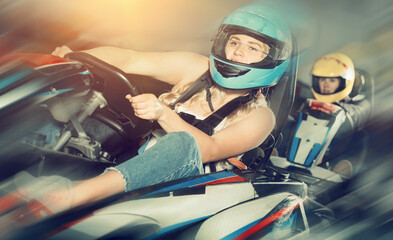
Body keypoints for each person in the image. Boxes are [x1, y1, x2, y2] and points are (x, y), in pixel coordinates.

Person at [9, 3, 292, 217]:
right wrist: (74, 57)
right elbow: (130, 59)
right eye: (234, 42)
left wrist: (163, 113)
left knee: (182, 142)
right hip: (131, 166)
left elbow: (205, 150)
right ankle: (17, 161)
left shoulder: (260, 116)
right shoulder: (195, 69)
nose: (238, 53)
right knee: (80, 107)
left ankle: (70, 196)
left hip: (187, 189)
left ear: (272, 60)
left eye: (254, 48)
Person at [277, 52, 371, 177]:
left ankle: (341, 171)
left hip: (331, 153)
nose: (326, 85)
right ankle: (275, 154)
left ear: (344, 82)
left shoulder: (356, 104)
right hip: (300, 145)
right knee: (286, 122)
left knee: (361, 137)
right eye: (322, 80)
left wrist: (338, 110)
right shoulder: (309, 100)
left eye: (332, 80)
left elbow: (362, 112)